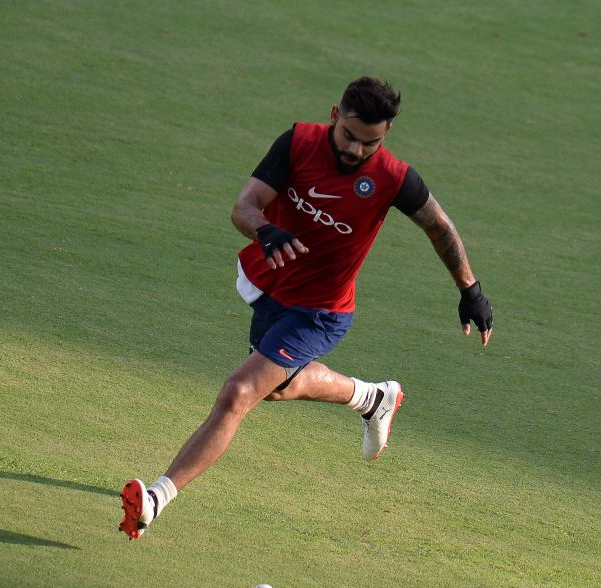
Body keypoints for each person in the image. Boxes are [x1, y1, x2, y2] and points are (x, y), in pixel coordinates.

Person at [119, 77, 493, 540]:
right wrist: (264, 229)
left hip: (320, 313)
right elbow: (244, 206)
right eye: (349, 136)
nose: (356, 150)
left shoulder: (394, 177)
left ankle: (156, 498)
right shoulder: (298, 143)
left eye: (370, 142)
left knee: (239, 392)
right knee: (277, 388)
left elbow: (439, 226)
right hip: (273, 291)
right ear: (334, 115)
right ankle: (373, 398)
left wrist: (470, 289)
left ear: (387, 134)